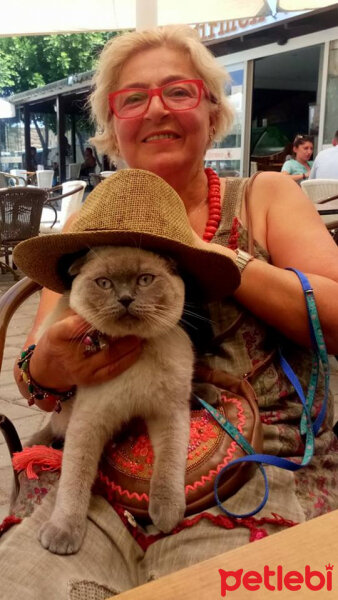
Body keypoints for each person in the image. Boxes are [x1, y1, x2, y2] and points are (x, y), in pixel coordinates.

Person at [1, 24, 338, 599]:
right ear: (113, 128)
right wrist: (53, 367)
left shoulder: (267, 195)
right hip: (104, 478)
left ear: (211, 114)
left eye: (178, 92)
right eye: (133, 98)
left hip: (253, 471)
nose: (156, 109)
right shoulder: (88, 232)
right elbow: (35, 374)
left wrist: (203, 251)